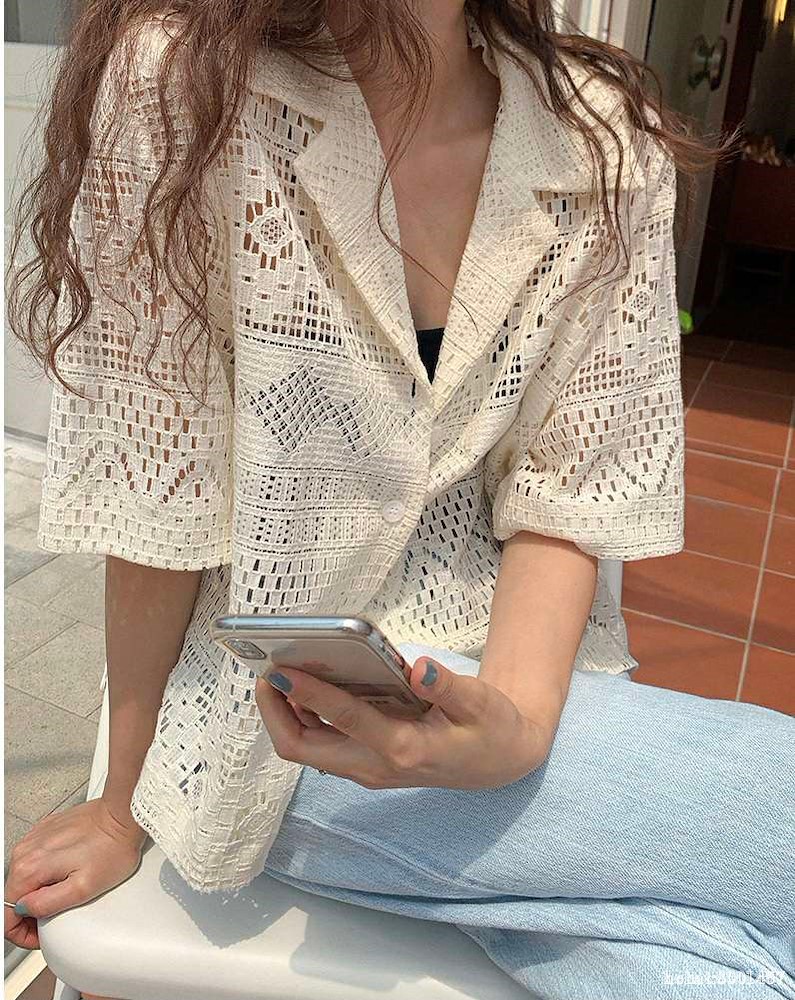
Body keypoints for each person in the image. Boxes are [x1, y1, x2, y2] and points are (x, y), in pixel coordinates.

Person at [5, 2, 793, 998]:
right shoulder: (185, 84)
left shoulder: (599, 132)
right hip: (285, 722)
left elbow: (564, 490)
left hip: (527, 681)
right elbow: (162, 504)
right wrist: (120, 802)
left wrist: (516, 726)